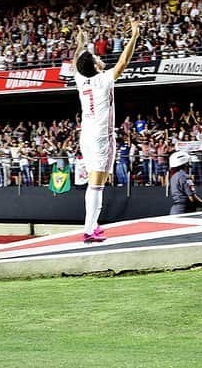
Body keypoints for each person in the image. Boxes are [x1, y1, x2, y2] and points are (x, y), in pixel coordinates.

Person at [73, 19, 140, 242]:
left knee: (96, 183)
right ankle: (89, 228)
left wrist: (81, 43)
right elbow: (123, 61)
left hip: (87, 136)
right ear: (94, 66)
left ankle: (92, 224)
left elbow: (77, 61)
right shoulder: (103, 80)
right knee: (97, 185)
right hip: (102, 137)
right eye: (97, 58)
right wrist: (134, 36)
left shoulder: (81, 78)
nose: (100, 59)